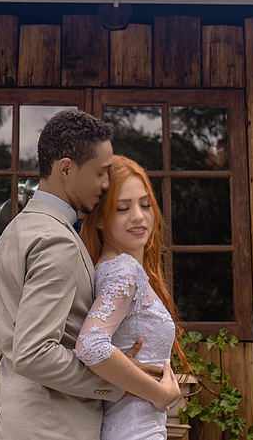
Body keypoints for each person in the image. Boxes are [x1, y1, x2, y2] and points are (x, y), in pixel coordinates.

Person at [0, 111, 177, 440]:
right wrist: (121, 384)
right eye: (100, 172)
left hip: (10, 415)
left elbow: (4, 345)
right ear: (67, 168)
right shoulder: (58, 241)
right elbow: (35, 351)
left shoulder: (15, 232)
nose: (104, 183)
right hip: (47, 427)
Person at [75, 156, 185, 440]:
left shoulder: (119, 268)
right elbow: (91, 346)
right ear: (99, 218)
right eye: (123, 208)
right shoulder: (123, 270)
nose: (138, 216)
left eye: (145, 204)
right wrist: (160, 394)